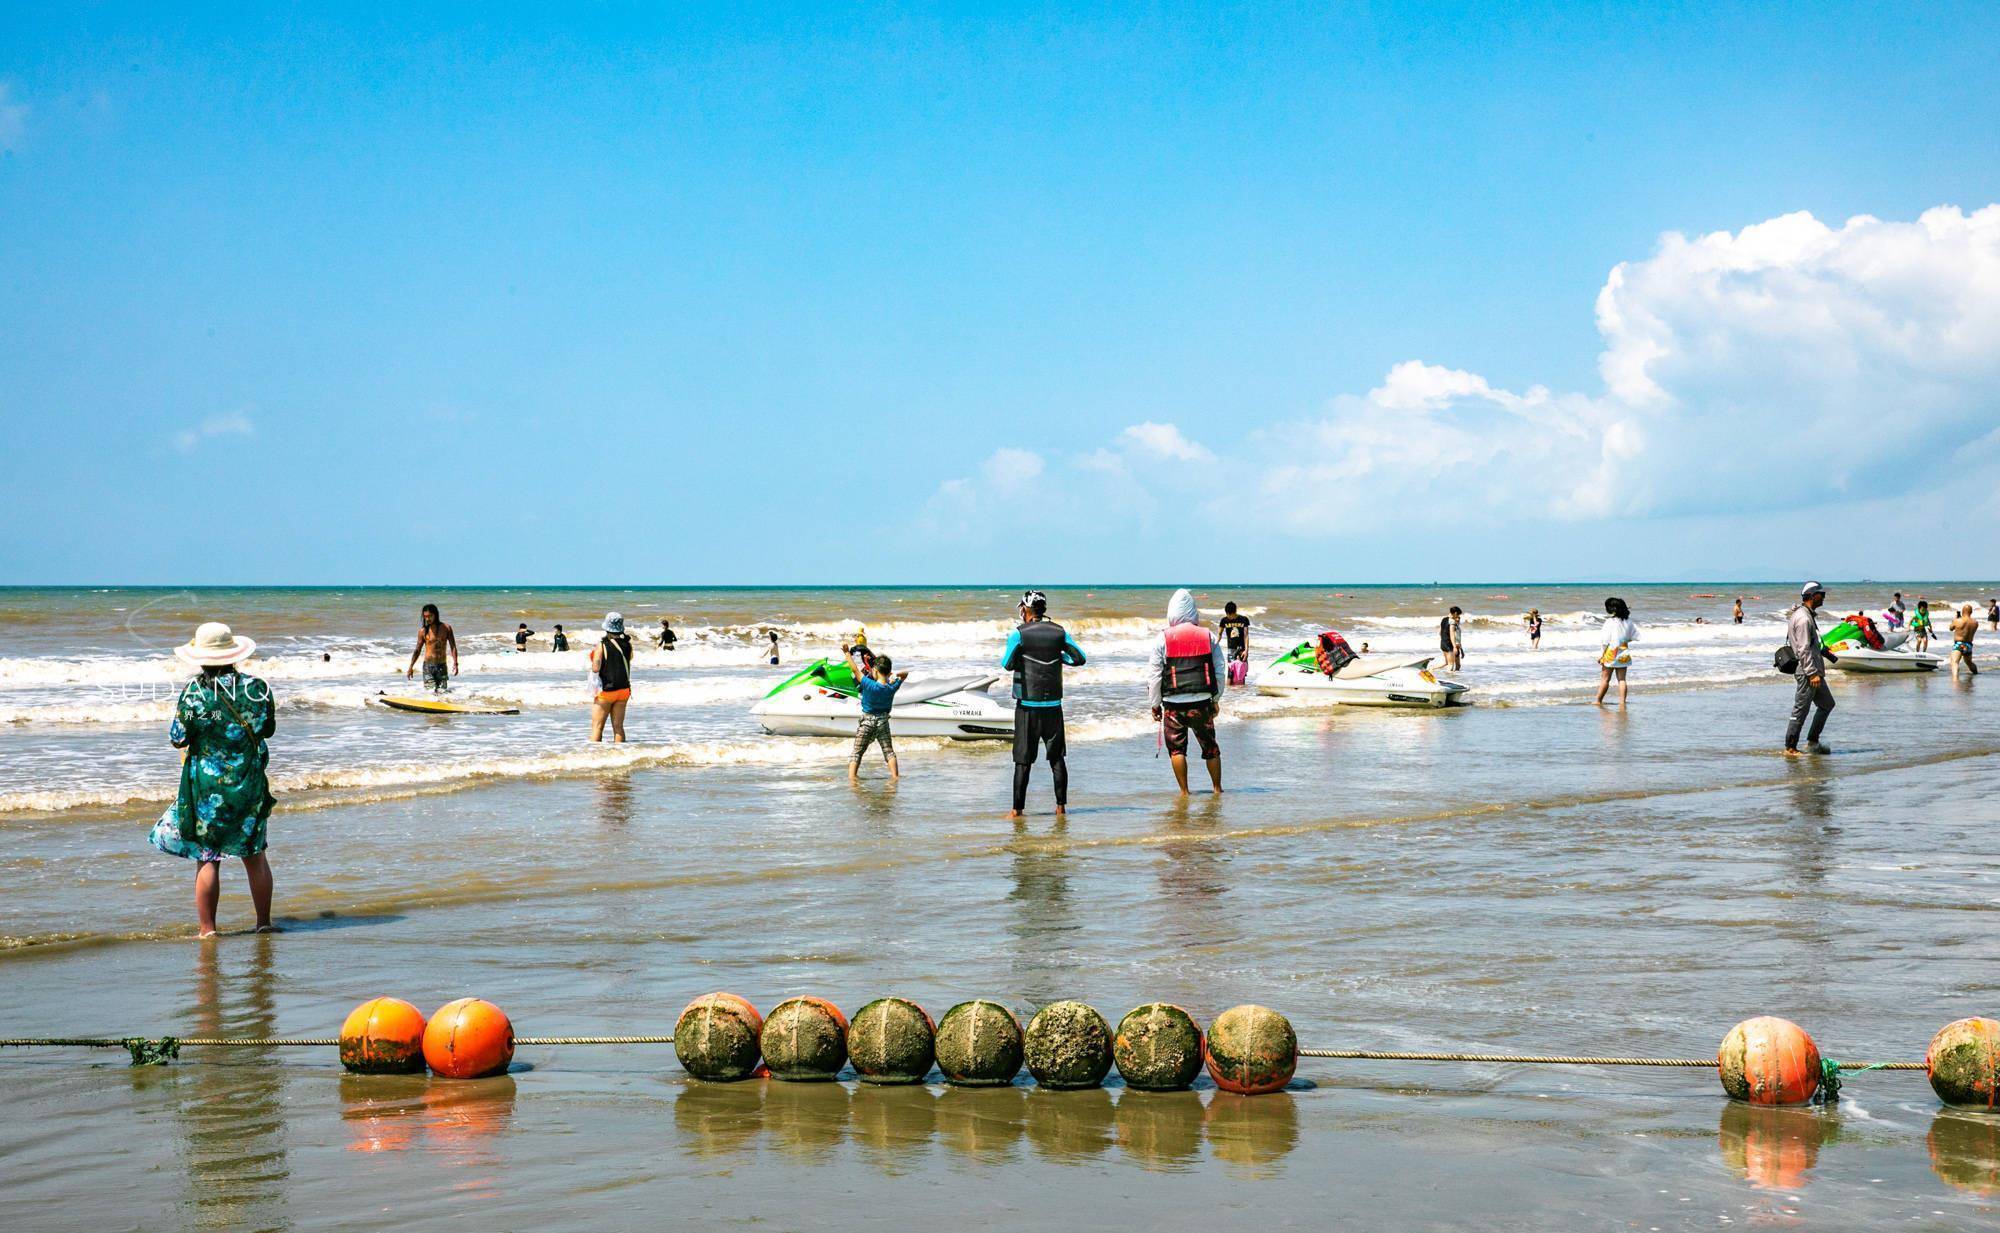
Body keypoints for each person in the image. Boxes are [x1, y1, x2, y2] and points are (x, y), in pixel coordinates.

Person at [147, 622, 277, 937]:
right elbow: (267, 728)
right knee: (254, 855)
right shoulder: (256, 688)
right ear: (233, 653)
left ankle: (208, 930)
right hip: (247, 782)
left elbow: (178, 737)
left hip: (206, 788)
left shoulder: (195, 692)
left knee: (208, 859)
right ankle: (263, 923)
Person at [1001, 590, 1085, 819]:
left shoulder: (1018, 634)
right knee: (1056, 759)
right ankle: (1060, 808)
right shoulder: (1059, 631)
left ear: (1025, 610)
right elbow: (1080, 658)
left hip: (1028, 706)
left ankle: (1016, 811)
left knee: (1023, 761)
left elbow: (1007, 664)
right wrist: (1059, 658)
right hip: (1053, 707)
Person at [1148, 588, 1228, 797]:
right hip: (1202, 702)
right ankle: (1217, 789)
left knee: (1177, 749)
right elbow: (1220, 669)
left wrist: (1155, 704)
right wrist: (1216, 698)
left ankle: (1184, 792)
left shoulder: (1162, 639)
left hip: (1173, 705)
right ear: (1193, 612)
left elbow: (1155, 675)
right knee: (1210, 747)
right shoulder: (1207, 636)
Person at [1785, 583, 1838, 754]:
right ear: (1812, 595)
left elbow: (1810, 645)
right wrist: (1812, 673)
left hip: (1814, 670)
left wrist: (1823, 651)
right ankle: (1790, 747)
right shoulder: (1803, 618)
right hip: (1808, 672)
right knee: (1801, 709)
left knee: (1827, 704)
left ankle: (1813, 742)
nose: (1824, 597)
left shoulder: (1807, 615)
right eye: (1821, 594)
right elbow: (1803, 648)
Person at [848, 654, 908, 782]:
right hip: (883, 722)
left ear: (875, 670)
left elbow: (855, 670)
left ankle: (852, 779)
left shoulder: (868, 684)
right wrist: (894, 677)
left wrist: (847, 653)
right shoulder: (892, 687)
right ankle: (895, 777)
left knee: (857, 752)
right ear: (889, 672)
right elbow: (905, 674)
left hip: (867, 722)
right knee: (888, 751)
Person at [590, 613, 634, 742]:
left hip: (607, 691)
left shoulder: (602, 645)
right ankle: (621, 756)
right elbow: (628, 659)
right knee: (618, 727)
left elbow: (595, 668)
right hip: (624, 690)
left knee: (597, 727)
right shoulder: (628, 645)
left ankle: (594, 757)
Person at [1595, 597, 1638, 706]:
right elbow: (1634, 636)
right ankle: (1622, 702)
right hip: (1623, 650)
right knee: (1622, 679)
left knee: (1605, 679)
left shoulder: (1610, 622)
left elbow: (1605, 640)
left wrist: (1601, 655)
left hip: (1611, 652)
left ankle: (1598, 701)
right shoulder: (1628, 621)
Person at [405, 603, 457, 692]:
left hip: (442, 666)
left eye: (430, 616)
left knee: (442, 692)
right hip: (428, 667)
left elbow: (453, 647)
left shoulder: (446, 628)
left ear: (435, 615)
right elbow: (417, 650)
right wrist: (411, 667)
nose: (428, 619)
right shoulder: (423, 631)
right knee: (430, 692)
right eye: (425, 616)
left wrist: (455, 663)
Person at [1218, 602, 1252, 684]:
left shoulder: (1243, 620)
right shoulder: (1224, 620)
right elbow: (1219, 634)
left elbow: (1246, 635)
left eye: (1231, 614)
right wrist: (1214, 645)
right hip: (1231, 649)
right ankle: (1230, 693)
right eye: (1228, 614)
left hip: (1242, 649)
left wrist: (1246, 650)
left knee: (1241, 672)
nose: (1229, 616)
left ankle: (1241, 694)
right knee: (1230, 672)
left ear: (1235, 611)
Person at [1950, 603, 1980, 678]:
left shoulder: (1957, 621)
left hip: (1959, 644)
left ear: (1962, 611)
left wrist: (1954, 619)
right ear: (1971, 612)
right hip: (1969, 645)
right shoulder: (1975, 623)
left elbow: (1951, 628)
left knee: (1954, 662)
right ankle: (1976, 673)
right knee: (1969, 663)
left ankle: (1955, 679)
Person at [1438, 607, 1464, 671]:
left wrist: (1444, 640)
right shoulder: (1452, 622)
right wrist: (1455, 647)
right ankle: (1448, 679)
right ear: (1455, 613)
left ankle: (1432, 669)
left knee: (1449, 664)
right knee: (1450, 665)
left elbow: (1440, 632)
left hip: (1443, 643)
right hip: (1449, 644)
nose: (1458, 617)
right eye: (1458, 615)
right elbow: (1452, 635)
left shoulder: (1443, 619)